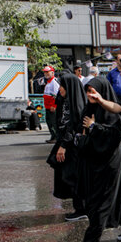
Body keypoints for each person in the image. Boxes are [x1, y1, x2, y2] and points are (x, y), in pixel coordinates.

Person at [75, 77, 121, 242]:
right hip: (92, 162)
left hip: (108, 163)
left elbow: (114, 135)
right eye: (87, 91)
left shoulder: (111, 111)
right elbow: (81, 131)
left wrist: (94, 127)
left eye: (93, 91)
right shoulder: (89, 109)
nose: (90, 95)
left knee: (100, 203)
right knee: (117, 198)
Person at [50, 73, 88, 221]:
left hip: (72, 146)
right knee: (67, 175)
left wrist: (64, 145)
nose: (59, 89)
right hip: (65, 142)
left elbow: (74, 126)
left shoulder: (77, 103)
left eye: (62, 86)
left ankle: (82, 208)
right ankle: (79, 207)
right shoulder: (64, 100)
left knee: (73, 176)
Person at [42, 65, 59, 143]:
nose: (46, 74)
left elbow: (56, 95)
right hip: (47, 106)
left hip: (52, 107)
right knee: (49, 122)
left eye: (47, 72)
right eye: (45, 72)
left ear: (52, 72)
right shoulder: (48, 82)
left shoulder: (54, 82)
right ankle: (53, 136)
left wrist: (54, 105)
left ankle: (56, 137)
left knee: (53, 122)